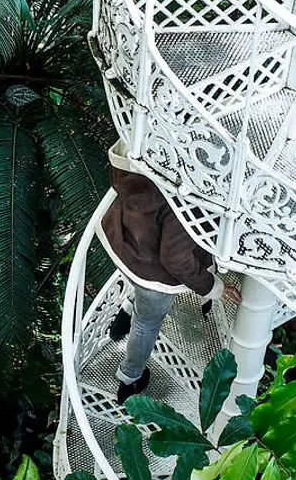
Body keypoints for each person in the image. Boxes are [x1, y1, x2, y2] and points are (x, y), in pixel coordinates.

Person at [99, 148, 240, 404]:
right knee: (147, 324)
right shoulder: (188, 199)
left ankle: (124, 317)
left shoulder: (150, 157)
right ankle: (129, 379)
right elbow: (177, 260)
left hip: (124, 241)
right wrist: (214, 287)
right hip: (153, 271)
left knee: (139, 289)